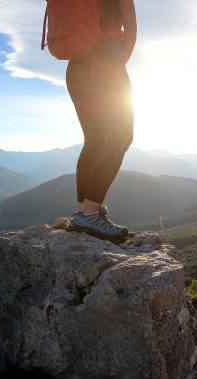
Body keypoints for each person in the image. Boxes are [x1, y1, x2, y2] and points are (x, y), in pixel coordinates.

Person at [67, 0, 137, 239]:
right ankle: (90, 214)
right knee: (121, 137)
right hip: (105, 62)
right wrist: (117, 64)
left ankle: (83, 211)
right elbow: (132, 30)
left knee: (95, 140)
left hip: (76, 67)